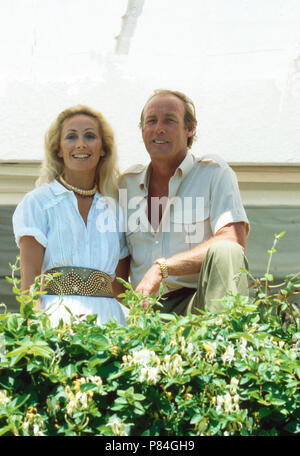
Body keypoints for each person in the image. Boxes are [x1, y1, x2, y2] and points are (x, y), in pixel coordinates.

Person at [119, 89, 250, 315]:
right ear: (142, 131)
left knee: (228, 251)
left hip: (199, 304)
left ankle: (223, 341)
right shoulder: (125, 185)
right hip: (143, 311)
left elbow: (233, 239)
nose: (159, 128)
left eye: (169, 120)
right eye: (151, 121)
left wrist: (163, 268)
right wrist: (120, 312)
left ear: (189, 129)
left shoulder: (214, 173)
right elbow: (118, 262)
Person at [13, 105, 129, 326]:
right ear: (59, 149)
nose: (81, 144)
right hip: (56, 322)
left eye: (90, 136)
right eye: (71, 136)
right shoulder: (38, 202)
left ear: (103, 149)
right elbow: (30, 286)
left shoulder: (115, 209)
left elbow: (120, 289)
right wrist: (34, 334)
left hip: (110, 325)